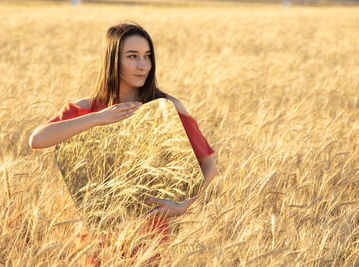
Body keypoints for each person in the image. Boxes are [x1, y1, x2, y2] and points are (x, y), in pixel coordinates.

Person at [29, 22, 218, 266]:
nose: (143, 65)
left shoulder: (165, 108)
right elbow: (37, 139)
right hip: (96, 238)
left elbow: (209, 167)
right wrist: (99, 118)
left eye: (147, 56)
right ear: (112, 60)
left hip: (149, 238)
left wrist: (181, 206)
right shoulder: (89, 109)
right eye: (132, 56)